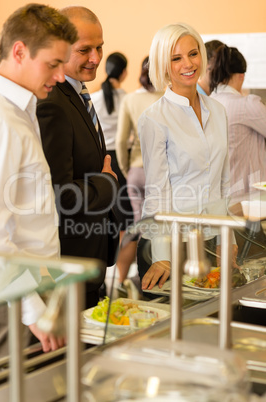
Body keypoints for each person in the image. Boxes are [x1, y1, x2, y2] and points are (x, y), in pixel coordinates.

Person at [0, 3, 78, 355]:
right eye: (52, 64)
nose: (61, 77)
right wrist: (33, 310)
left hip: (35, 286)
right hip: (16, 298)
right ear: (19, 52)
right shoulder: (2, 120)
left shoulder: (22, 110)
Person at [137, 23, 237, 291]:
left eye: (193, 54)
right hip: (172, 241)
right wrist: (161, 257)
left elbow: (223, 179)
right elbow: (157, 191)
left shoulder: (218, 110)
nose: (188, 64)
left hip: (211, 235)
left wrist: (228, 237)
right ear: (163, 65)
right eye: (176, 58)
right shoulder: (154, 118)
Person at [37, 6, 119, 309]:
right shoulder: (52, 102)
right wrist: (107, 185)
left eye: (99, 47)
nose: (96, 58)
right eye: (85, 49)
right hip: (69, 265)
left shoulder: (78, 94)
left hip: (90, 256)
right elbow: (60, 194)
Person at [115, 56, 164, 288]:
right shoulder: (169, 99)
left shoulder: (130, 100)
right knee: (159, 229)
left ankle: (121, 281)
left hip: (136, 171)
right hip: (162, 174)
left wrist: (127, 170)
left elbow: (121, 140)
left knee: (136, 227)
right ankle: (149, 280)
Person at [91, 53, 135, 291]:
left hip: (102, 162)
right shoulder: (127, 98)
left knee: (107, 219)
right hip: (122, 160)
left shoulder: (94, 98)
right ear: (125, 72)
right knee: (126, 222)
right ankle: (120, 279)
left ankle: (106, 279)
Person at [210, 45, 266, 196]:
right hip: (248, 194)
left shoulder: (207, 103)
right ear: (241, 75)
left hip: (219, 193)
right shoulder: (246, 105)